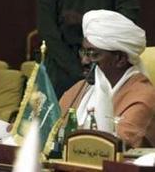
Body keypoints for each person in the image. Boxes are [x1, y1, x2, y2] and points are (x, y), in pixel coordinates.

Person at [59, 10, 155, 148]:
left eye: (93, 54)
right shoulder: (80, 89)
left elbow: (114, 147)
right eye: (84, 52)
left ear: (120, 59)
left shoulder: (143, 96)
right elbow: (51, 130)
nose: (84, 61)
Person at [37, 0, 140, 98]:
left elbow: (127, 18)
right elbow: (47, 29)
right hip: (62, 64)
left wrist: (82, 20)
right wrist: (74, 68)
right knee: (60, 114)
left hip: (106, 62)